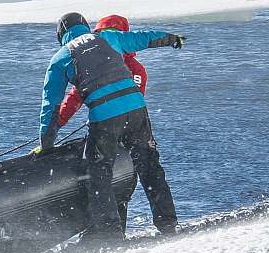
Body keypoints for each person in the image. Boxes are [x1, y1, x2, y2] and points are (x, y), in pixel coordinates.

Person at [39, 12, 185, 239]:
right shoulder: (108, 38)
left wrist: (46, 143)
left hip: (105, 116)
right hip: (137, 109)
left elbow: (51, 105)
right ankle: (168, 224)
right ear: (85, 27)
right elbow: (143, 38)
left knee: (99, 174)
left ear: (61, 35)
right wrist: (173, 38)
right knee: (149, 167)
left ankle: (110, 235)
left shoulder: (60, 58)